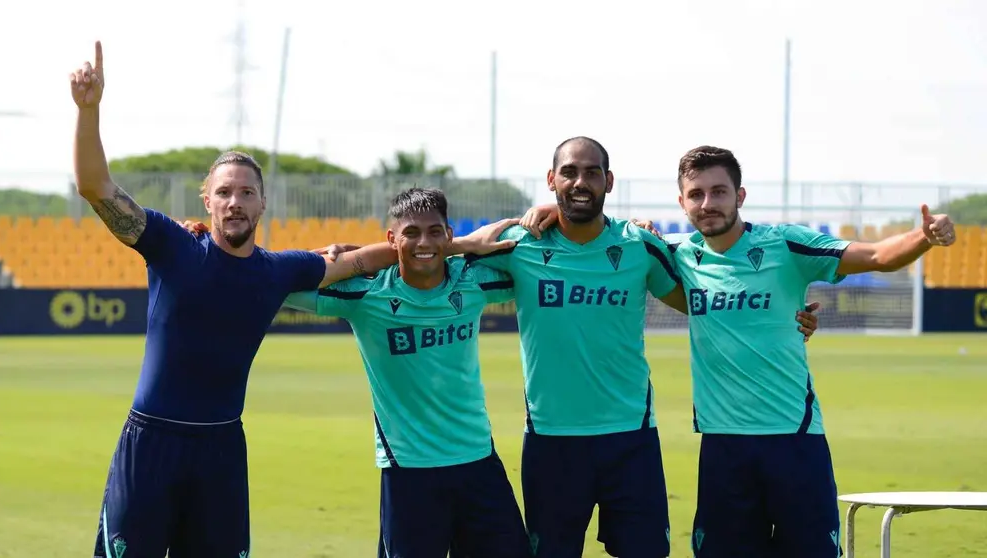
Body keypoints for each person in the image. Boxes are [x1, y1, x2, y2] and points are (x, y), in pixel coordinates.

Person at [324, 137, 819, 558]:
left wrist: (784, 312)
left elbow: (705, 293)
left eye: (590, 173)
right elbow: (435, 254)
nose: (579, 182)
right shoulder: (520, 244)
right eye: (569, 173)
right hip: (552, 441)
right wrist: (366, 256)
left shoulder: (639, 246)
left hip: (631, 439)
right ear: (551, 180)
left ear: (608, 181)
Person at [71, 41, 417, 558]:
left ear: (262, 202)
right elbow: (96, 186)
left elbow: (361, 261)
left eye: (247, 192)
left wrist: (447, 244)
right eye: (225, 192)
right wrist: (89, 110)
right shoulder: (170, 246)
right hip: (150, 445)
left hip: (221, 451)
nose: (236, 202)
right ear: (206, 199)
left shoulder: (279, 271)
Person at [523, 144, 954, 558]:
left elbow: (877, 255)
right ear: (682, 202)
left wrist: (925, 236)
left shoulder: (785, 245)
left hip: (794, 442)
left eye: (719, 192)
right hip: (722, 448)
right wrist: (553, 212)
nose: (707, 203)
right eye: (696, 194)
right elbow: (605, 233)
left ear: (740, 196)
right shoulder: (677, 255)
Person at [274, 187, 532, 558]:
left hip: (478, 463)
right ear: (392, 239)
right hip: (409, 472)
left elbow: (545, 255)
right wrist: (356, 256)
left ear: (448, 234)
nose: (423, 242)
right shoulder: (367, 295)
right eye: (410, 233)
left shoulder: (473, 279)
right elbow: (273, 277)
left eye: (434, 232)